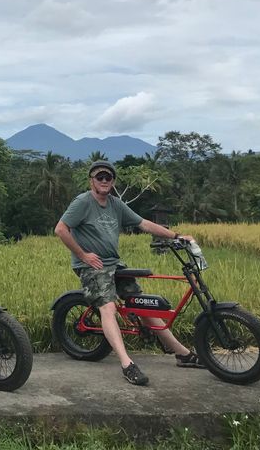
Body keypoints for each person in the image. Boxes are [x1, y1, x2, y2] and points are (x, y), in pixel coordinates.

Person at [54, 160, 203, 386]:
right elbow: (60, 229)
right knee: (108, 306)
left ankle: (182, 353)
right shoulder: (83, 202)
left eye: (108, 178)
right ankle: (126, 364)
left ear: (113, 182)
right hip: (92, 266)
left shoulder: (115, 204)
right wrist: (83, 255)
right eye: (99, 177)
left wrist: (175, 236)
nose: (104, 181)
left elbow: (143, 224)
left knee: (140, 303)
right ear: (91, 180)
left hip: (114, 263)